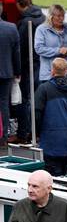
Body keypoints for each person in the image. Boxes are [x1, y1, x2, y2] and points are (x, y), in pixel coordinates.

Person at [32, 57, 67, 176]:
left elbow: (36, 114)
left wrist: (38, 133)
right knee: (63, 175)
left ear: (52, 71)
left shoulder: (44, 89)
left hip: (50, 140)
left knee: (51, 177)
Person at [12, 0, 45, 145]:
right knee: (37, 99)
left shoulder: (25, 22)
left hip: (28, 65)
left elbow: (20, 48)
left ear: (19, 4)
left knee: (25, 100)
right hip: (41, 64)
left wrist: (16, 68)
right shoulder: (42, 16)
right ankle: (36, 132)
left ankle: (24, 133)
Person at [33, 4, 67, 83]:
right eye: (58, 16)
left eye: (63, 16)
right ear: (51, 16)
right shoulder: (42, 29)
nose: (61, 18)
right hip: (49, 75)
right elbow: (39, 48)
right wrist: (58, 51)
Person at [0, 9, 16, 141]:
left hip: (6, 71)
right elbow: (16, 53)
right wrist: (17, 72)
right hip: (6, 71)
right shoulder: (11, 28)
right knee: (4, 103)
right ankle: (4, 134)